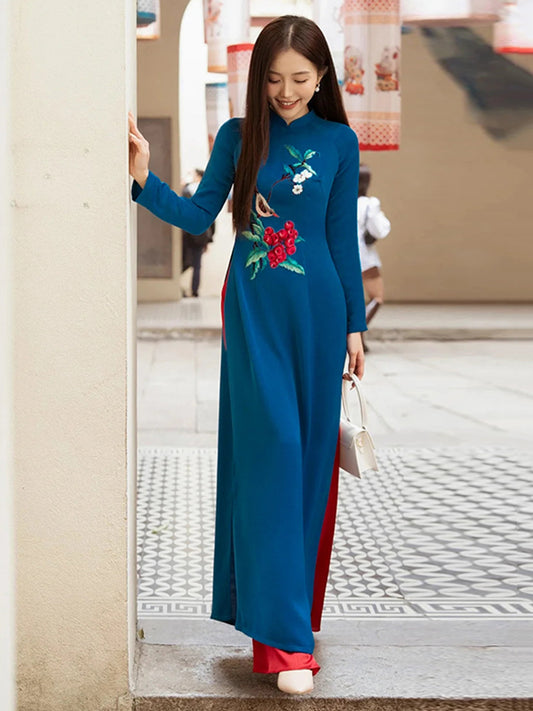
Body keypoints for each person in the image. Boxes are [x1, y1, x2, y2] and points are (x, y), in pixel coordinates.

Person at [128, 14, 367, 695]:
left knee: (309, 468)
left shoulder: (339, 141)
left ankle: (290, 620)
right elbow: (199, 216)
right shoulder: (238, 136)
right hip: (255, 312)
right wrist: (143, 179)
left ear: (322, 76)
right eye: (273, 79)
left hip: (320, 314)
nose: (286, 92)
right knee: (272, 459)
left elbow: (340, 240)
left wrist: (354, 326)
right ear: (257, 79)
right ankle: (286, 644)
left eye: (299, 79)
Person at [357, 163, 391, 349]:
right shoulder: (369, 204)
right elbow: (380, 230)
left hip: (340, 255)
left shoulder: (339, 200)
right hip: (364, 257)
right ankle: (357, 331)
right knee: (377, 296)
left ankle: (356, 335)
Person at [181, 169, 215, 297]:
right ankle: (194, 291)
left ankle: (185, 288)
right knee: (197, 265)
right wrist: (209, 239)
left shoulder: (187, 190)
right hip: (201, 236)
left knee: (185, 261)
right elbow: (212, 218)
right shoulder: (206, 193)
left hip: (188, 235)